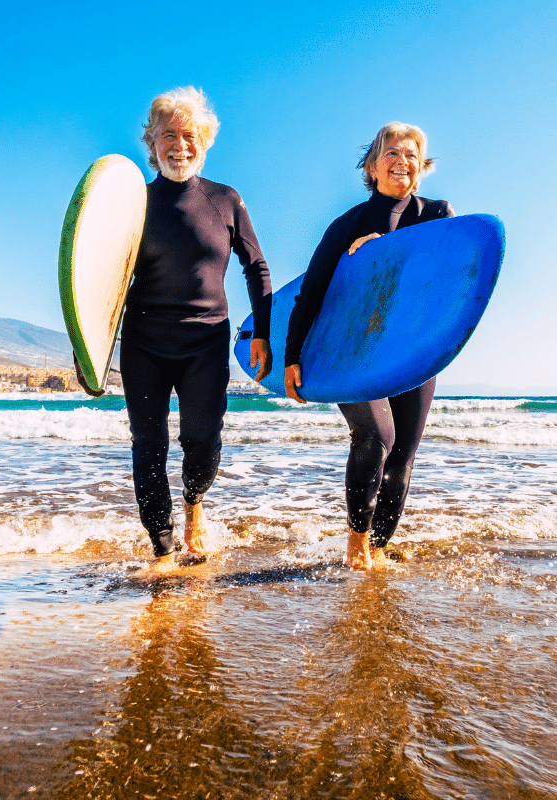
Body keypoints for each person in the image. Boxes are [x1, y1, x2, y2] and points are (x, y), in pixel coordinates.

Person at [284, 122, 454, 571]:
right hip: (353, 352)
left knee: (403, 456)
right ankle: (357, 542)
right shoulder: (348, 225)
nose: (403, 161)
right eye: (392, 153)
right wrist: (292, 357)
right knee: (377, 436)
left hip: (411, 350)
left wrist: (391, 254)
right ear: (372, 166)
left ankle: (378, 549)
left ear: (422, 167)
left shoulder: (437, 214)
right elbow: (315, 291)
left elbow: (447, 281)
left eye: (412, 155)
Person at [121, 86, 272, 578]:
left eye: (189, 135)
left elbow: (256, 268)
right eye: (169, 135)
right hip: (144, 339)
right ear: (153, 142)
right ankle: (163, 551)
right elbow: (103, 277)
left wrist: (263, 333)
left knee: (203, 441)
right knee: (149, 444)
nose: (179, 145)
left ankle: (194, 502)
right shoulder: (135, 205)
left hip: (206, 341)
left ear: (204, 141)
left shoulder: (225, 200)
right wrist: (90, 350)